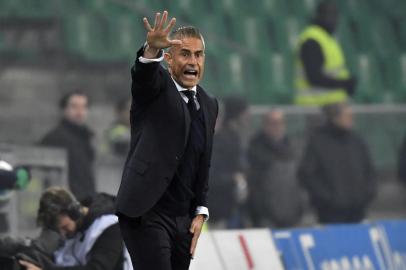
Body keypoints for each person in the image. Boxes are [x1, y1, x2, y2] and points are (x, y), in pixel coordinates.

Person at [115, 11, 218, 270]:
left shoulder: (209, 103)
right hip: (147, 211)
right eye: (185, 54)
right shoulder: (157, 87)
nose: (192, 61)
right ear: (169, 58)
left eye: (198, 55)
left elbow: (203, 160)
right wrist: (151, 50)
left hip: (182, 217)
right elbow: (143, 75)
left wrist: (200, 210)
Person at [298, 103, 376, 223]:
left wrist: (366, 195)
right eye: (347, 116)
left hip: (358, 210)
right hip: (330, 213)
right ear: (335, 118)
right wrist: (328, 199)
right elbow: (307, 175)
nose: (351, 119)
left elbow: (369, 171)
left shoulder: (357, 141)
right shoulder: (318, 142)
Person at [19, 187, 131, 270]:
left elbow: (97, 268)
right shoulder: (75, 230)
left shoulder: (110, 227)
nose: (63, 234)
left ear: (74, 212)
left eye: (65, 227)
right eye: (59, 230)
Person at [247, 110, 303, 228]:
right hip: (266, 218)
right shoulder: (256, 149)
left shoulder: (292, 148)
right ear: (265, 125)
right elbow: (255, 188)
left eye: (280, 123)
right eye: (273, 123)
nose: (278, 127)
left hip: (292, 215)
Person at [294, 1, 357, 106]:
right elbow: (314, 77)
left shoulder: (328, 39)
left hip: (332, 107)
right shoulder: (312, 40)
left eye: (336, 15)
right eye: (330, 14)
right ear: (319, 16)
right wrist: (344, 83)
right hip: (316, 108)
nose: (334, 19)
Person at [40, 91, 96, 201]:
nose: (79, 111)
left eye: (83, 107)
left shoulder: (86, 137)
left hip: (87, 200)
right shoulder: (55, 138)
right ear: (64, 109)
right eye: (74, 106)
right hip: (67, 204)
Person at [210, 96, 249, 228]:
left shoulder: (234, 136)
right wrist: (233, 178)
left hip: (232, 203)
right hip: (219, 206)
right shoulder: (221, 140)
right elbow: (211, 175)